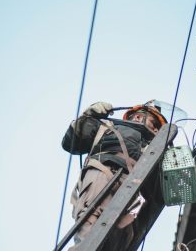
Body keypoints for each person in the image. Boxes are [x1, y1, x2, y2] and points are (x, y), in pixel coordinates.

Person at [62, 101, 167, 250]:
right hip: (104, 172)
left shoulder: (160, 147)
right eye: (135, 115)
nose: (137, 118)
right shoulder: (107, 127)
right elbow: (72, 142)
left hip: (137, 188)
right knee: (92, 218)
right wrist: (89, 117)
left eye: (144, 117)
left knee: (122, 233)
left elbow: (162, 192)